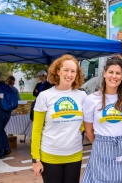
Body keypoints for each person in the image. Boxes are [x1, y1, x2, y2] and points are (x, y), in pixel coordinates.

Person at [82, 57, 122, 183]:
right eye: (111, 72)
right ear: (104, 73)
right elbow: (89, 130)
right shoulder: (91, 99)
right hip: (101, 148)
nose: (114, 76)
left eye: (118, 73)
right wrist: (103, 144)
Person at [31, 54, 87, 183]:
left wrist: (81, 128)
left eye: (73, 71)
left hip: (74, 156)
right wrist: (36, 160)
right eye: (66, 70)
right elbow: (36, 129)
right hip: (50, 156)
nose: (69, 74)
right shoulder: (45, 96)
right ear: (58, 71)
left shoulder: (82, 95)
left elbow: (87, 118)